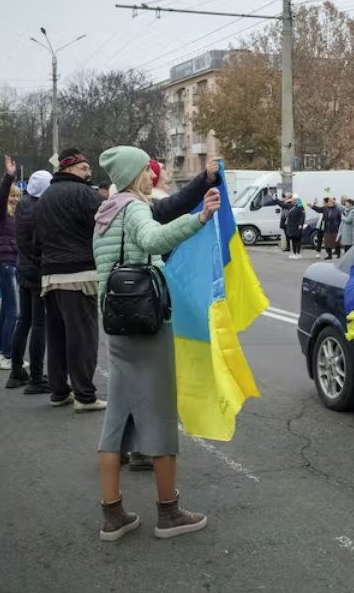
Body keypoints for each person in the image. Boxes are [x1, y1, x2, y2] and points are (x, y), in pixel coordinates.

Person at [92, 145, 220, 542]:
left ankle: (112, 515)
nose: (152, 175)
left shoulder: (105, 212)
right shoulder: (134, 208)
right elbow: (152, 239)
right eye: (146, 170)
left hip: (116, 322)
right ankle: (169, 512)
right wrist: (199, 218)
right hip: (146, 322)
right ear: (133, 175)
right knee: (161, 413)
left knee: (117, 416)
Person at [35, 148, 106, 411]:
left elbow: (35, 240)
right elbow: (106, 225)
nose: (90, 173)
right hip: (80, 274)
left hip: (50, 276)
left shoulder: (45, 197)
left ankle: (58, 391)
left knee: (57, 338)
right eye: (84, 168)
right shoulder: (86, 195)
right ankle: (85, 396)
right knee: (83, 338)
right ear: (69, 169)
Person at [11, 169, 52, 394]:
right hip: (37, 271)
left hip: (23, 266)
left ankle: (16, 369)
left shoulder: (23, 205)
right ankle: (37, 377)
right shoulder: (42, 210)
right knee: (39, 324)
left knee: (23, 320)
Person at [0, 157, 21, 375]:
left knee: (6, 309)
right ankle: (9, 355)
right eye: (12, 195)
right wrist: (8, 178)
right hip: (6, 262)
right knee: (13, 311)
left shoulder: (14, 216)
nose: (15, 199)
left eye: (17, 196)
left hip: (9, 262)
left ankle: (1, 351)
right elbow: (0, 199)